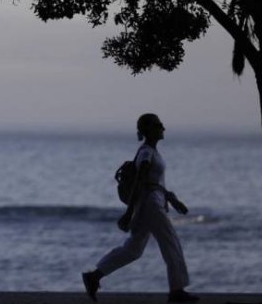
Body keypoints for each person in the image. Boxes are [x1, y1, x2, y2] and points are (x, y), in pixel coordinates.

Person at [82, 113, 198, 303]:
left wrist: (172, 198)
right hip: (151, 204)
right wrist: (128, 213)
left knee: (133, 249)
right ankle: (177, 291)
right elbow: (140, 181)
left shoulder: (152, 152)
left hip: (150, 203)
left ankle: (94, 277)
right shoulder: (146, 153)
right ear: (149, 129)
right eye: (158, 125)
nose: (163, 128)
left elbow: (154, 183)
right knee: (171, 243)